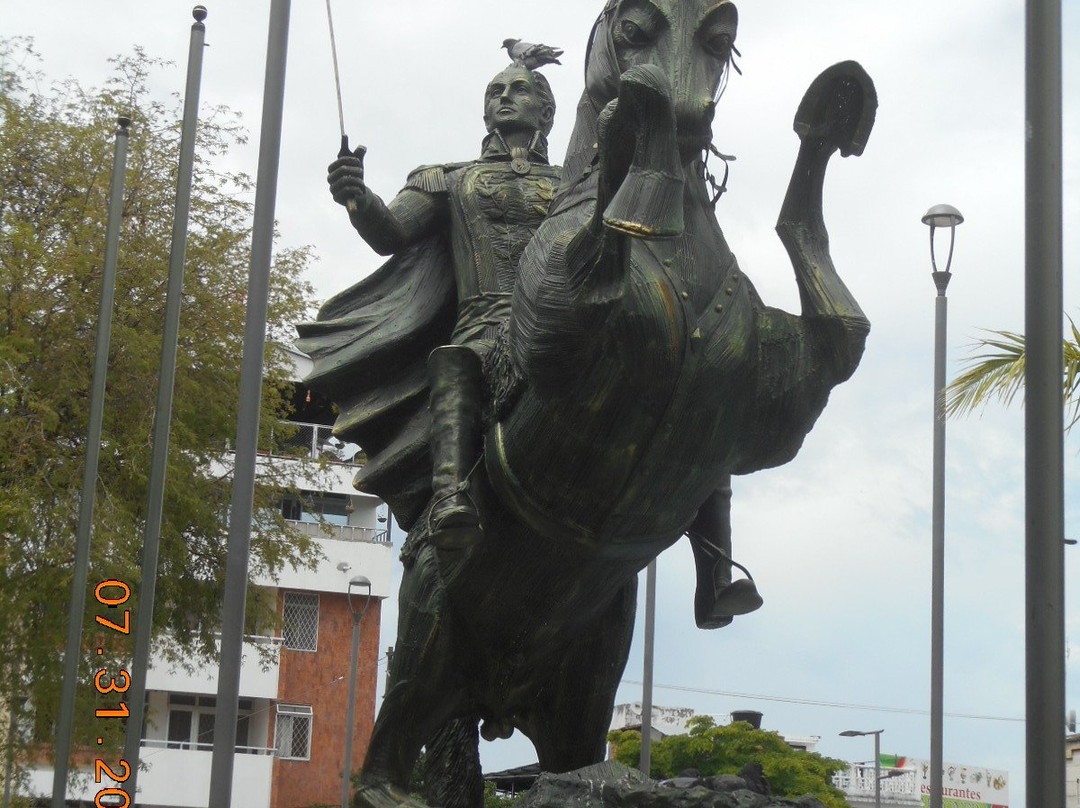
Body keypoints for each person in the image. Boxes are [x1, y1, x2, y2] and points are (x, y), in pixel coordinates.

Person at [327, 60, 562, 550]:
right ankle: (451, 494)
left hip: (561, 325)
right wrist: (357, 197)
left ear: (545, 110)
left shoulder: (578, 183)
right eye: (495, 90)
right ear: (484, 113)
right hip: (485, 329)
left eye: (519, 89)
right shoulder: (449, 178)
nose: (504, 96)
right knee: (455, 360)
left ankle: (705, 538)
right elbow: (389, 232)